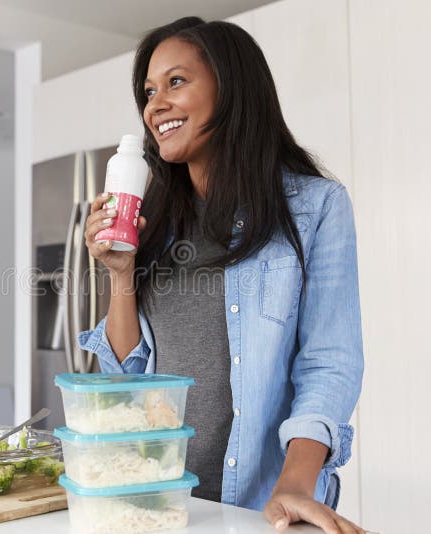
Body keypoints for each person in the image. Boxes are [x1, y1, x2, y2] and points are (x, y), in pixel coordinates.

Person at [78, 17, 365, 534]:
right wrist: (121, 274)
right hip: (156, 502)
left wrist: (296, 485)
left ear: (231, 87)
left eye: (176, 82)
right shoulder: (154, 220)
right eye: (148, 90)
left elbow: (330, 364)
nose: (155, 104)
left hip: (262, 506)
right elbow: (125, 386)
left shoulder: (313, 207)